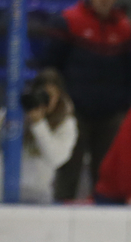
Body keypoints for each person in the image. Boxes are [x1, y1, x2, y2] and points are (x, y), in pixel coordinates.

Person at [40, 0, 131, 201]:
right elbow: (51, 66)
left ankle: (102, 216)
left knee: (106, 175)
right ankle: (60, 212)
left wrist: (125, 107)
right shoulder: (69, 21)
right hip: (74, 112)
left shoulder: (124, 27)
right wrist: (59, 103)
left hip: (110, 115)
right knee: (68, 169)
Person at [0, 70, 78, 203]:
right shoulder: (15, 114)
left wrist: (38, 124)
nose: (45, 101)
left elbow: (57, 158)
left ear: (59, 96)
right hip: (5, 192)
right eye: (42, 95)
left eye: (50, 96)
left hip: (39, 195)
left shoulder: (66, 123)